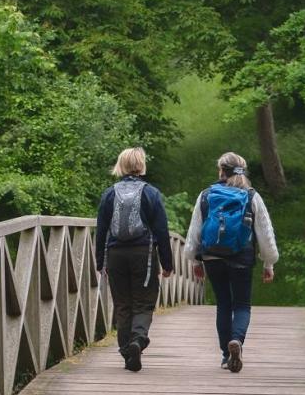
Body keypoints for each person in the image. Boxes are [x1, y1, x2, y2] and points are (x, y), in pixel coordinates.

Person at [185, 152, 278, 372]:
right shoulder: (251, 196)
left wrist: (194, 260)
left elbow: (194, 231)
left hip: (212, 257)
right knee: (242, 305)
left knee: (223, 304)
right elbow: (265, 233)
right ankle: (236, 340)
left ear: (220, 171)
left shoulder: (206, 195)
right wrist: (269, 263)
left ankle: (227, 355)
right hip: (241, 257)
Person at [96, 147, 173, 372]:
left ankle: (126, 351)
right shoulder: (151, 193)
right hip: (144, 255)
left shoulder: (109, 194)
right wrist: (167, 263)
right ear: (141, 165)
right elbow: (161, 231)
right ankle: (138, 341)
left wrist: (99, 261)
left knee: (122, 305)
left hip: (116, 255)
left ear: (121, 165)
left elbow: (101, 230)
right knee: (143, 302)